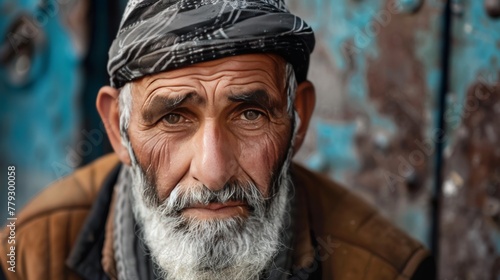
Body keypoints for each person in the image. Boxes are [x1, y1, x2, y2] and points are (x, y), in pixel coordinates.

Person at [0, 0, 435, 279]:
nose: (213, 171)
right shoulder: (29, 257)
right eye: (173, 117)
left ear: (297, 119)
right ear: (118, 129)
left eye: (249, 114)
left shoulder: (385, 269)